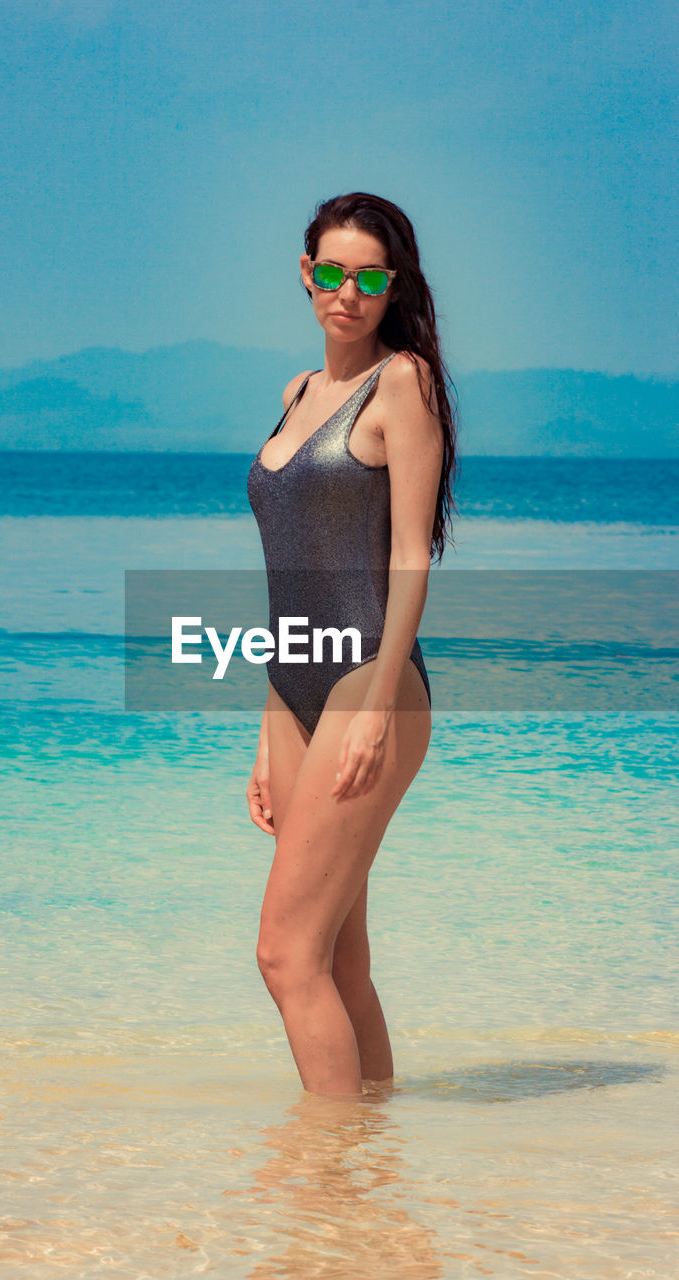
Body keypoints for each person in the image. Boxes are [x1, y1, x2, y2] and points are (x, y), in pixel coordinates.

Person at [246, 192, 458, 1097]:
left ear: (392, 284)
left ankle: (327, 1172)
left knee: (285, 957)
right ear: (306, 275)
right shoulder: (297, 394)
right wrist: (265, 729)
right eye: (331, 272)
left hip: (369, 684)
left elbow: (410, 556)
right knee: (335, 958)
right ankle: (368, 1177)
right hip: (294, 688)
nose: (347, 293)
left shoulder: (399, 383)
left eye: (369, 276)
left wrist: (376, 708)